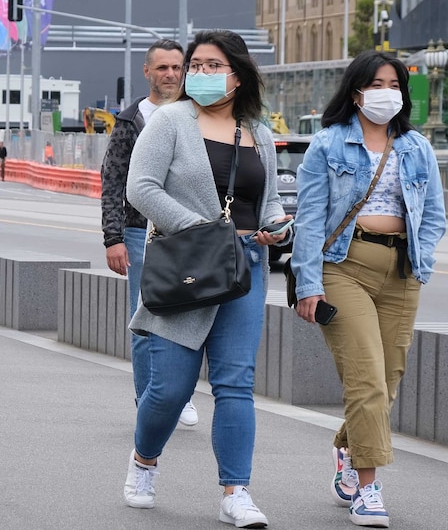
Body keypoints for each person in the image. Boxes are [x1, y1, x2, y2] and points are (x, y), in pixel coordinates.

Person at [123, 30, 292, 528]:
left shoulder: (257, 130)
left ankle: (235, 492)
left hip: (243, 266)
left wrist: (278, 228)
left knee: (236, 383)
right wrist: (196, 228)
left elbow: (270, 200)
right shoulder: (171, 121)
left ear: (237, 75)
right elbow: (141, 187)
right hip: (186, 264)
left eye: (210, 66)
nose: (198, 74)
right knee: (170, 389)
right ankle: (144, 461)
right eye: (194, 65)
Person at [290, 51, 447, 528]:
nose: (387, 92)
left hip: (401, 271)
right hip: (345, 267)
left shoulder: (417, 146)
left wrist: (423, 262)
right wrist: (308, 284)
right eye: (377, 83)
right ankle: (368, 488)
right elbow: (311, 218)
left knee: (389, 377)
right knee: (366, 380)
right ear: (356, 90)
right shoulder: (329, 143)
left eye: (394, 83)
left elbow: (435, 215)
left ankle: (347, 447)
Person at [100, 39, 200, 427]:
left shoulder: (199, 115)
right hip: (142, 233)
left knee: (189, 316)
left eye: (177, 67)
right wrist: (113, 237)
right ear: (147, 72)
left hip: (192, 233)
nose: (171, 74)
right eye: (162, 68)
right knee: (144, 321)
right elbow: (112, 180)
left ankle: (183, 395)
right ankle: (147, 400)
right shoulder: (130, 120)